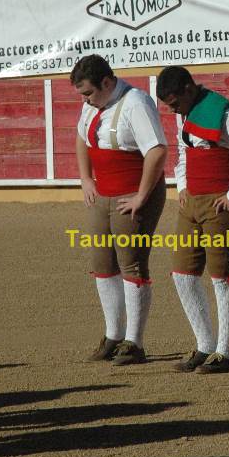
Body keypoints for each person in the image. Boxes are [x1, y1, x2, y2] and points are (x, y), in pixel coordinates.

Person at [157, 66, 229, 374]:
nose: (172, 110)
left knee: (222, 276)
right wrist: (182, 186)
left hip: (220, 203)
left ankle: (225, 352)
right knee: (182, 274)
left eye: (174, 103)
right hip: (193, 201)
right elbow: (184, 152)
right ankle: (204, 345)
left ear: (188, 89)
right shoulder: (187, 112)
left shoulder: (223, 112)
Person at [72, 55, 168, 366]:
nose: (86, 100)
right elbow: (81, 138)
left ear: (107, 82)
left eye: (89, 93)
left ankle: (134, 343)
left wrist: (142, 196)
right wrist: (86, 178)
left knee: (131, 265)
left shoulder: (136, 102)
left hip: (133, 194)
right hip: (103, 192)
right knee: (102, 263)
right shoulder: (92, 104)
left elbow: (157, 151)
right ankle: (113, 335)